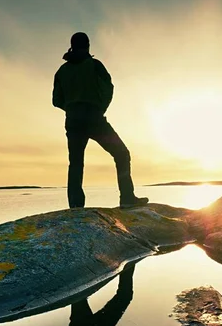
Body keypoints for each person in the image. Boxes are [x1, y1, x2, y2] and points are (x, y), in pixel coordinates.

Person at [52, 32, 149, 209]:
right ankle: (127, 198)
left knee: (76, 163)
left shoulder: (62, 71)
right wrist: (99, 108)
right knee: (121, 154)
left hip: (73, 121)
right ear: (88, 45)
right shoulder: (95, 65)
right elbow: (108, 88)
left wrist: (73, 108)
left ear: (72, 46)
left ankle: (76, 207)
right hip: (94, 118)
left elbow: (56, 100)